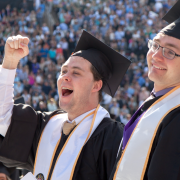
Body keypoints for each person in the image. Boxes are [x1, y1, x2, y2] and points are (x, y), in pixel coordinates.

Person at [0, 30, 130, 180]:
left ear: (96, 86)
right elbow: (3, 118)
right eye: (63, 71)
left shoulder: (112, 138)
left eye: (76, 73)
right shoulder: (46, 125)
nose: (65, 78)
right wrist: (9, 62)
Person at [112, 1, 180, 180]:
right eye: (155, 45)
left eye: (170, 52)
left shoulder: (176, 114)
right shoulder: (155, 103)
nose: (156, 55)